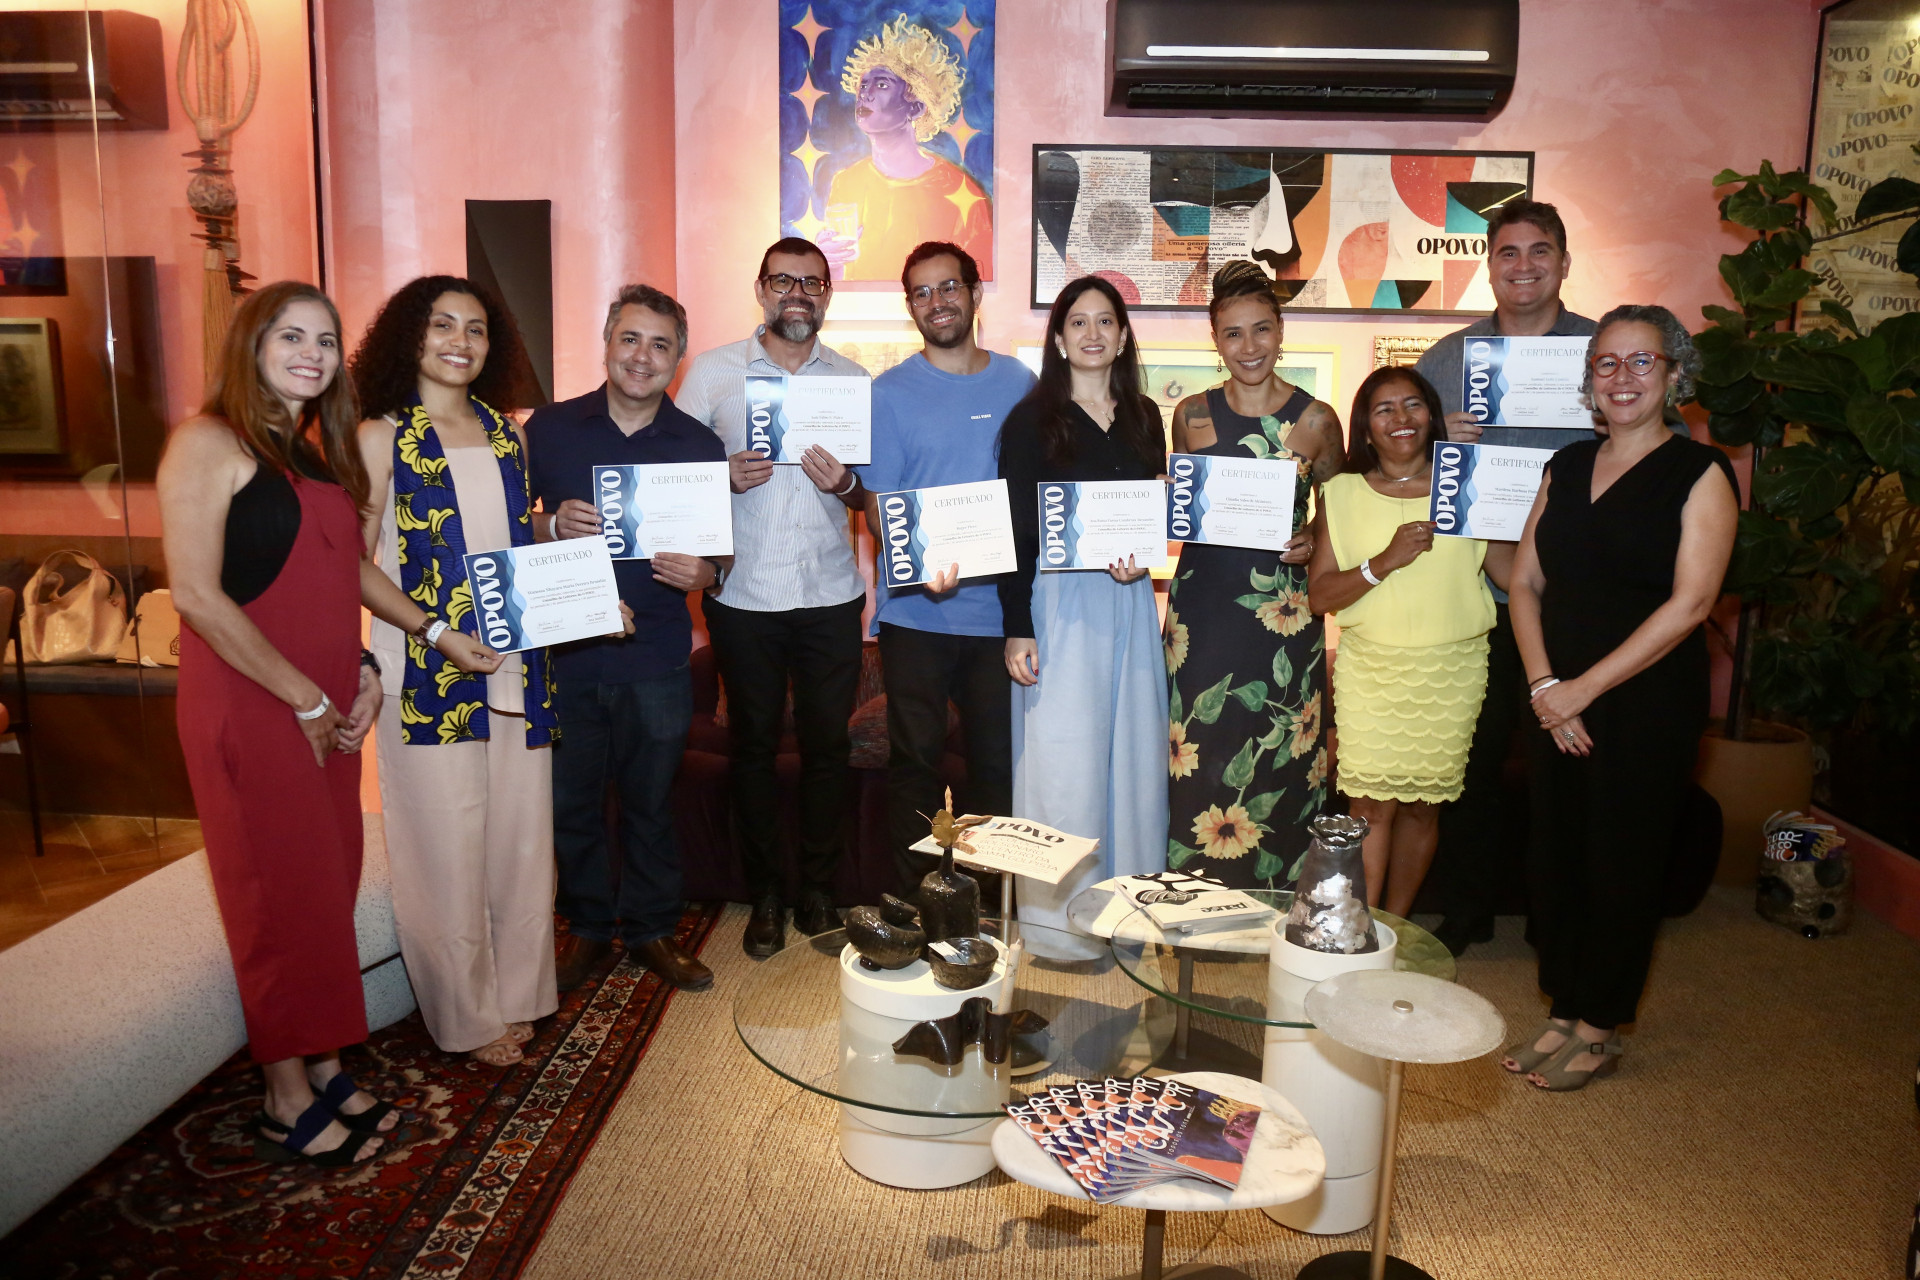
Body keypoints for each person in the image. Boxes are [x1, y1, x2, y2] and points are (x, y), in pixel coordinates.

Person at [162, 281, 398, 1165]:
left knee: (327, 882)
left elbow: (339, 581)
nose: (312, 353)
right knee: (270, 894)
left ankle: (326, 1058)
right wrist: (302, 695)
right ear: (253, 345)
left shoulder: (311, 450)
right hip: (252, 705)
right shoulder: (204, 441)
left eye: (327, 340)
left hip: (328, 705)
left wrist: (365, 670)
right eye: (291, 336)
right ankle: (281, 1090)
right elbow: (195, 594)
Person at [1415, 200, 1677, 955]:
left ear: (1564, 262)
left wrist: (1616, 427)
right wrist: (1438, 439)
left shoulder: (1609, 353)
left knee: (1576, 773)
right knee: (1472, 763)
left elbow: (1673, 459)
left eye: (1540, 252)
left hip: (1584, 608)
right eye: (1507, 253)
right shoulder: (1446, 360)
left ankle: (1558, 919)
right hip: (1476, 599)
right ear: (1488, 265)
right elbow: (1391, 454)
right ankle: (1466, 913)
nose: (1523, 266)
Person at [1504, 305, 1737, 1091]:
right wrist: (1544, 687)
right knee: (1559, 855)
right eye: (1607, 363)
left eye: (1642, 362)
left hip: (1642, 705)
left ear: (1674, 375)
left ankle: (1599, 1028)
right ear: (1589, 380)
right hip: (1554, 697)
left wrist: (1582, 691)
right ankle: (1565, 1012)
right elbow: (1525, 582)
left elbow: (1691, 604)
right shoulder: (1565, 467)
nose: (1623, 378)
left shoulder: (1700, 474)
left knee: (1622, 861)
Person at [351, 276, 558, 1067]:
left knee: (517, 842)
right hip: (428, 673)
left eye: (476, 329)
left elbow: (513, 541)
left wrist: (582, 588)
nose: (460, 341)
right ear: (411, 336)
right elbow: (353, 564)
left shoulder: (510, 434)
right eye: (443, 325)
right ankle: (467, 1019)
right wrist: (436, 632)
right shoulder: (380, 436)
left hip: (514, 663)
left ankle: (518, 995)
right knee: (443, 847)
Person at [528, 284, 728, 993]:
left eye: (661, 345)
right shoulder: (547, 430)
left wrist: (706, 570)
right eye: (631, 339)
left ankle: (650, 931)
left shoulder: (699, 445)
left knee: (650, 804)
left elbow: (720, 557)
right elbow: (505, 529)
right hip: (567, 655)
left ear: (678, 360)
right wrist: (549, 524)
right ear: (607, 340)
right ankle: (583, 929)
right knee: (570, 803)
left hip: (658, 659)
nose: (643, 357)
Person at [676, 238, 868, 957]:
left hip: (829, 597)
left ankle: (816, 889)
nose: (799, 292)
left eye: (812, 282)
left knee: (827, 751)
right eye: (784, 280)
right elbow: (673, 478)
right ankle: (763, 895)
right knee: (751, 753)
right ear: (760, 288)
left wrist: (846, 485)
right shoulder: (714, 374)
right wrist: (719, 475)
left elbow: (874, 496)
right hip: (742, 598)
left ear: (827, 294)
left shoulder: (851, 380)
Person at [999, 275, 1168, 949]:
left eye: (1105, 322)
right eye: (1078, 322)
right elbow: (1016, 531)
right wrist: (1018, 625)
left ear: (1123, 336)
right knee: (1061, 761)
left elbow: (1149, 515)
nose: (1093, 334)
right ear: (1060, 338)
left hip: (1127, 601)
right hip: (1058, 605)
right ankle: (1056, 931)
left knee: (1131, 757)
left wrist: (1144, 560)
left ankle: (1125, 919)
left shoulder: (1145, 416)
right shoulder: (1031, 420)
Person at [1164, 262, 1345, 889]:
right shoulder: (1190, 415)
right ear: (1215, 339)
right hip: (1204, 612)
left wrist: (1313, 540)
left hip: (1284, 615)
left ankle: (1280, 897)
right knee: (1198, 753)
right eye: (1234, 333)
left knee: (1282, 751)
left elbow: (1343, 514)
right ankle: (1194, 897)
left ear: (1281, 331)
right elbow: (1183, 512)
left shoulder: (1317, 419)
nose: (1249, 347)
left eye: (1261, 330)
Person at [861, 241, 1033, 895]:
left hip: (1000, 619)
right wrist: (917, 559)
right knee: (913, 767)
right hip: (916, 615)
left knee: (996, 769)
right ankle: (917, 901)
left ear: (975, 293)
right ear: (911, 306)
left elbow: (1037, 490)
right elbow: (879, 507)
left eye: (949, 287)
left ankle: (990, 904)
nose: (937, 302)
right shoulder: (889, 393)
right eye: (922, 292)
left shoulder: (1020, 384)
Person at [1306, 367, 1510, 918]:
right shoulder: (1341, 492)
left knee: (1424, 808)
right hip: (1373, 669)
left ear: (1433, 416)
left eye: (1413, 405)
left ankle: (1397, 928)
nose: (1402, 419)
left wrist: (1529, 509)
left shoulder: (1465, 483)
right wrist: (1383, 562)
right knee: (1368, 807)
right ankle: (1363, 928)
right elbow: (1320, 596)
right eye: (1385, 409)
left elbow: (1512, 577)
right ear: (1366, 430)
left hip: (1452, 668)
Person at [815, 15, 991, 282]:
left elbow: (979, 289)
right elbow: (840, 285)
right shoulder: (845, 183)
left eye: (882, 84)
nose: (866, 93)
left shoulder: (961, 191)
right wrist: (827, 263)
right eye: (862, 85)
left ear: (917, 107)